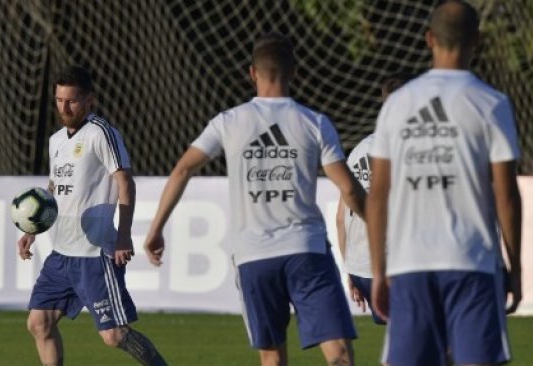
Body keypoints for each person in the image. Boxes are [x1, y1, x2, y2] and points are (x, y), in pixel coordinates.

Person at [143, 33, 366, 366]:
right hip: (306, 251)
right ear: (294, 73)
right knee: (339, 354)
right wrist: (377, 225)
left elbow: (182, 170)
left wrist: (155, 229)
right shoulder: (314, 122)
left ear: (252, 73)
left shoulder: (229, 121)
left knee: (272, 358)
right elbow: (348, 189)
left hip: (253, 257)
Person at [366, 1, 522, 365]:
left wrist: (377, 271)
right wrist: (514, 268)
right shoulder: (492, 104)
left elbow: (377, 194)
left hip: (409, 264)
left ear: (429, 39)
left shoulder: (398, 104)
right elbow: (506, 195)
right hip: (473, 263)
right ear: (476, 41)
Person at [16, 65, 167, 366]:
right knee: (38, 323)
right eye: (59, 100)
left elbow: (125, 183)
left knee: (113, 335)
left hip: (95, 255)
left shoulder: (102, 134)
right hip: (61, 255)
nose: (64, 107)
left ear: (89, 100)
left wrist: (123, 236)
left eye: (71, 101)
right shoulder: (56, 141)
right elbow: (54, 186)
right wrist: (33, 228)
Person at [335, 75, 408, 325]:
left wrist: (351, 272)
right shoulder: (409, 149)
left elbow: (340, 218)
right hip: (394, 266)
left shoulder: (359, 150)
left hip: (360, 266)